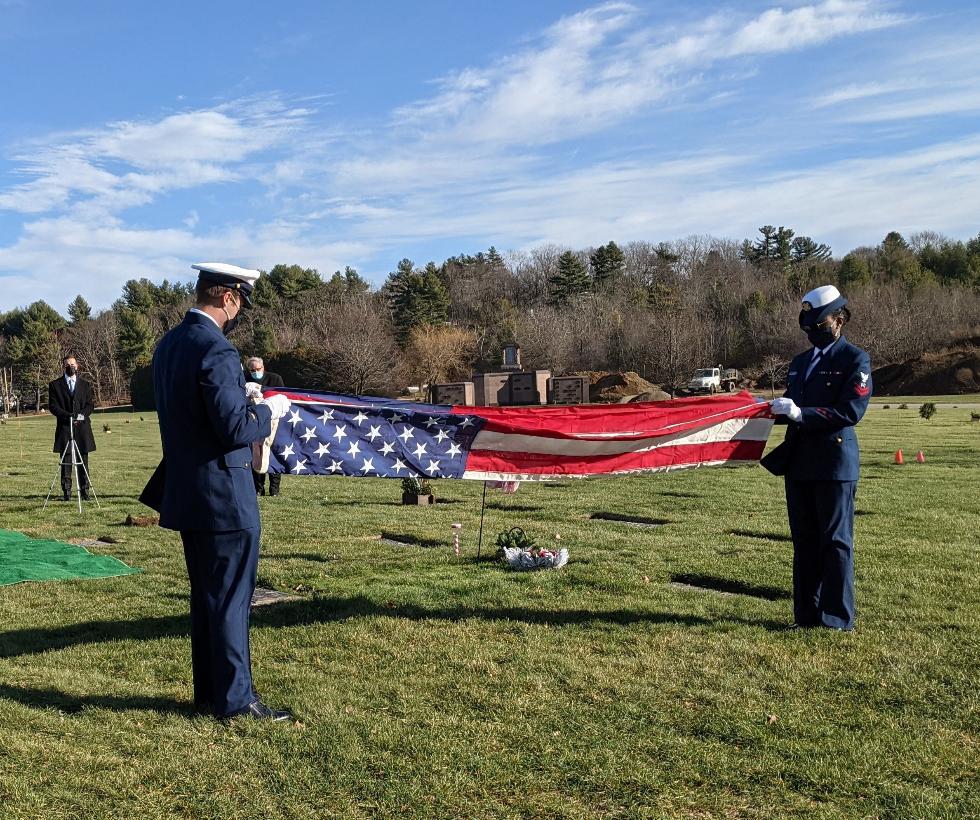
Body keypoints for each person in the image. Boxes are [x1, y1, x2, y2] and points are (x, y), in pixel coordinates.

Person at [141, 262, 292, 720]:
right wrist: (268, 411)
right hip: (224, 492)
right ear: (226, 296)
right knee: (230, 597)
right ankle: (235, 700)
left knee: (207, 597)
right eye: (241, 299)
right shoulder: (218, 349)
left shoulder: (169, 344)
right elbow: (232, 428)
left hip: (188, 489)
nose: (240, 309)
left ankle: (209, 691)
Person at [768, 285, 871, 631]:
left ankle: (836, 618)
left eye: (819, 323)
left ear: (839, 320)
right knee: (805, 542)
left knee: (836, 542)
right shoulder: (800, 364)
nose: (813, 331)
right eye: (808, 326)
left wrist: (801, 414)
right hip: (799, 464)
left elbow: (850, 410)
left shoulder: (855, 360)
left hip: (833, 462)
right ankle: (807, 616)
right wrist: (763, 410)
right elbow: (788, 406)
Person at [48, 355, 96, 501]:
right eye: (68, 365)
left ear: (78, 366)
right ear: (64, 367)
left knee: (83, 461)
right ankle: (67, 492)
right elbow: (53, 406)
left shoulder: (85, 385)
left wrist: (80, 415)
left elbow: (90, 405)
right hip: (64, 428)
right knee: (66, 462)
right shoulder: (55, 385)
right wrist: (68, 416)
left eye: (73, 364)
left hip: (82, 428)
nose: (71, 367)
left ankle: (84, 492)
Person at [246, 356, 285, 497]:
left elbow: (282, 397)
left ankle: (274, 490)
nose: (256, 372)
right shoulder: (245, 379)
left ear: (263, 367)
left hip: (274, 420)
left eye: (258, 369)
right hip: (255, 421)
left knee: (273, 453)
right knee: (257, 453)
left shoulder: (275, 379)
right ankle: (258, 488)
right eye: (252, 370)